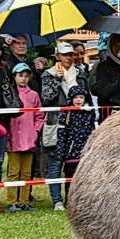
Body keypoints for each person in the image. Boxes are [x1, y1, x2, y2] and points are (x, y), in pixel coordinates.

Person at [41, 41, 88, 210]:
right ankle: (56, 200)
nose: (68, 58)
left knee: (75, 164)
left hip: (77, 126)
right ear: (57, 56)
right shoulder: (48, 74)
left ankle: (74, 199)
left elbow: (86, 97)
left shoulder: (81, 74)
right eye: (64, 55)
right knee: (55, 162)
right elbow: (46, 99)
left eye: (70, 54)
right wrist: (56, 80)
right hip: (56, 122)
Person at [3, 63, 43, 210]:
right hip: (13, 137)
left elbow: (39, 115)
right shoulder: (9, 94)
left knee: (26, 172)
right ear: (14, 77)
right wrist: (6, 136)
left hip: (29, 138)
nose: (23, 79)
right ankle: (12, 201)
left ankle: (25, 201)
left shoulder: (33, 95)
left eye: (26, 76)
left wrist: (35, 131)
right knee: (13, 172)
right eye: (20, 75)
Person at [51, 88, 97, 185]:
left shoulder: (90, 114)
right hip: (70, 154)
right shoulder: (66, 113)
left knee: (85, 181)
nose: (78, 100)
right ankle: (68, 199)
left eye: (81, 97)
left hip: (85, 154)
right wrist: (60, 155)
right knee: (70, 181)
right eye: (75, 97)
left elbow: (93, 133)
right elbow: (62, 136)